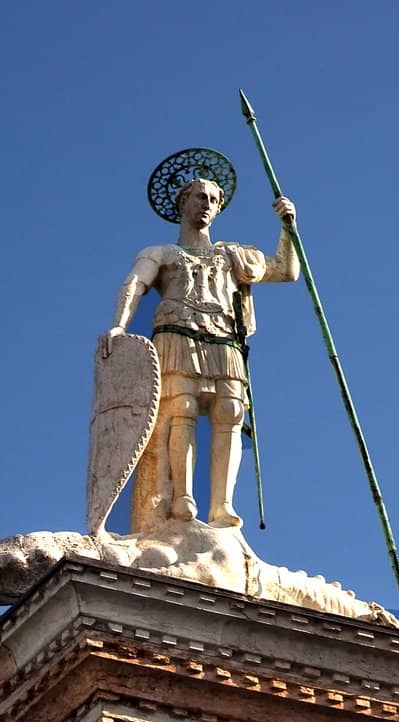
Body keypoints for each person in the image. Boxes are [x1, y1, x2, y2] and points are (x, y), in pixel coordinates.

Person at [100, 177, 298, 533]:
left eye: (212, 199)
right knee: (182, 409)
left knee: (230, 412)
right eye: (198, 197)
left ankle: (222, 505)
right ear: (183, 202)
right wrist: (119, 325)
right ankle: (182, 496)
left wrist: (288, 227)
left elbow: (286, 270)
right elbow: (135, 284)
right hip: (177, 330)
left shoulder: (234, 255)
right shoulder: (160, 252)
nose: (206, 204)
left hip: (224, 335)